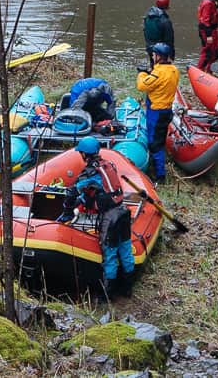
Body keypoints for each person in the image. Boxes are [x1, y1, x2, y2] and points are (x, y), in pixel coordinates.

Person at [56, 136, 135, 298]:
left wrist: (68, 210)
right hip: (123, 211)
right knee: (125, 250)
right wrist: (84, 200)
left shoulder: (90, 173)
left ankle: (108, 294)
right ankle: (127, 288)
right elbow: (103, 189)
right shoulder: (108, 165)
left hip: (111, 217)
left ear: (85, 154)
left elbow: (73, 191)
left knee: (110, 254)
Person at [136, 43, 178, 185]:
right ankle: (157, 167)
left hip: (156, 112)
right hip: (166, 110)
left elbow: (142, 85)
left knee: (155, 143)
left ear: (158, 56)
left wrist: (141, 73)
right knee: (159, 139)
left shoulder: (159, 72)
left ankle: (159, 176)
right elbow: (159, 82)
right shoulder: (173, 70)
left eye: (154, 54)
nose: (152, 57)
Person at [196, 0, 218, 73]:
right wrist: (209, 35)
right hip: (207, 31)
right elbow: (205, 20)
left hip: (213, 29)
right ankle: (200, 70)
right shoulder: (208, 3)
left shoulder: (214, 1)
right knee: (207, 51)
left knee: (216, 51)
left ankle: (208, 70)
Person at [142, 0, 175, 64]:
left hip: (150, 48)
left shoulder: (147, 16)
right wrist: (172, 55)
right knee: (163, 70)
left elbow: (145, 32)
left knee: (153, 66)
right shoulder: (165, 21)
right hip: (161, 51)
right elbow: (169, 40)